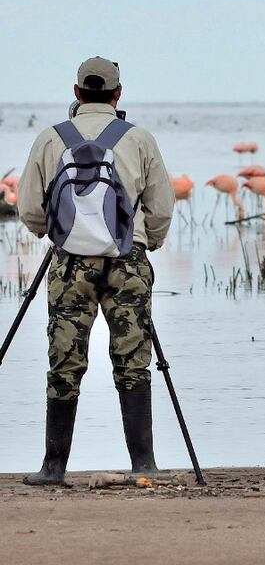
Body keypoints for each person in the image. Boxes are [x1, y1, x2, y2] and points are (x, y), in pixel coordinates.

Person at [17, 57, 175, 485]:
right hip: (128, 261)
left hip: (70, 264)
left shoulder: (50, 139)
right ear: (118, 94)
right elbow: (161, 205)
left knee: (64, 360)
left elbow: (30, 207)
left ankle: (53, 467)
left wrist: (52, 234)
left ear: (76, 92)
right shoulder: (139, 139)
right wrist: (147, 242)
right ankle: (144, 462)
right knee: (133, 359)